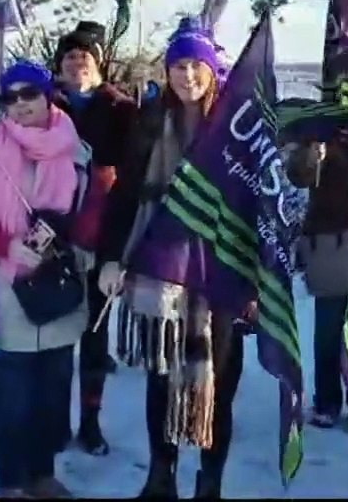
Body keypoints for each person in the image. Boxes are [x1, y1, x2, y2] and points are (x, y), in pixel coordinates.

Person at [97, 25, 242, 499]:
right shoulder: (149, 123)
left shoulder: (234, 127)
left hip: (218, 273)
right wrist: (111, 258)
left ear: (212, 71)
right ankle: (162, 476)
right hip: (159, 268)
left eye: (195, 66)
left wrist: (256, 281)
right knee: (161, 377)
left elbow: (257, 205)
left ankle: (210, 481)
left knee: (216, 384)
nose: (186, 75)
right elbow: (125, 195)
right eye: (178, 66)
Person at [0, 60, 90, 498]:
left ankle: (43, 472)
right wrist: (6, 248)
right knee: (11, 396)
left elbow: (93, 213)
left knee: (53, 391)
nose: (19, 105)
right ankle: (12, 481)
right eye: (9, 97)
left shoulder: (78, 151)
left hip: (61, 289)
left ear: (47, 95)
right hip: (7, 290)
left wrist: (80, 250)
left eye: (28, 94)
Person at [49, 20, 137, 455]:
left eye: (84, 56)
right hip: (52, 239)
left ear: (99, 66)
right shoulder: (45, 107)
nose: (77, 62)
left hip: (102, 237)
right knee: (56, 333)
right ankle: (54, 420)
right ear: (59, 68)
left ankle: (90, 420)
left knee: (94, 336)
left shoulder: (122, 110)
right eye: (69, 57)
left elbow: (135, 173)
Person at [286, 118, 348, 437]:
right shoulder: (323, 131)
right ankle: (327, 401)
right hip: (331, 241)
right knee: (329, 326)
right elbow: (298, 176)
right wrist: (311, 154)